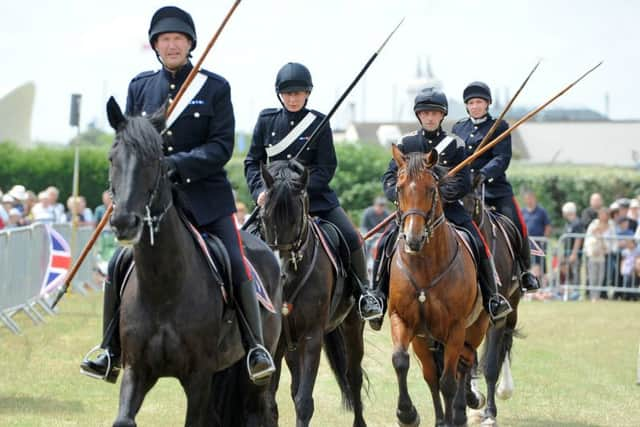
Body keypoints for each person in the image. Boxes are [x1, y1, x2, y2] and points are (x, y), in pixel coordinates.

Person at [81, 6, 274, 384]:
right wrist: (122, 187)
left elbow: (220, 147)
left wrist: (176, 164)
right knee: (120, 263)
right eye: (165, 40)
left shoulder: (214, 87)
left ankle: (254, 347)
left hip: (205, 197)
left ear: (190, 45)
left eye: (179, 39)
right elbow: (129, 143)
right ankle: (109, 350)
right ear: (155, 46)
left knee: (235, 260)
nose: (172, 45)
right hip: (153, 202)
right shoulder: (140, 86)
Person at [243, 62, 383, 321]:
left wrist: (300, 190)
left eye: (298, 93)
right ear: (280, 95)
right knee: (243, 240)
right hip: (273, 203)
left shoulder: (319, 123)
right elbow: (252, 161)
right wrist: (259, 191)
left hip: (314, 199)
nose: (293, 98)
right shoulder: (266, 120)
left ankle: (364, 293)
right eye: (287, 94)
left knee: (352, 237)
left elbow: (327, 166)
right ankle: (241, 299)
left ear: (307, 94)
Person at [373, 87, 512, 330]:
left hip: (448, 209)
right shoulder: (406, 142)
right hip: (412, 211)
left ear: (442, 115)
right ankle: (376, 297)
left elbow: (464, 182)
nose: (429, 117)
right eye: (425, 113)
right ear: (419, 115)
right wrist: (399, 198)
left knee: (477, 241)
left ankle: (492, 298)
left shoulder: (454, 143)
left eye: (435, 113)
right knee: (384, 242)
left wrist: (438, 197)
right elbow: (389, 176)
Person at [452, 81, 540, 293]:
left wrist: (484, 174)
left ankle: (525, 271)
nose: (475, 106)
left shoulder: (499, 126)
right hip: (464, 190)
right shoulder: (458, 128)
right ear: (466, 106)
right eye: (471, 103)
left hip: (494, 190)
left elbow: (502, 158)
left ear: (487, 104)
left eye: (479, 102)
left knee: (518, 224)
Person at [584, 208, 616, 301]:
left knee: (600, 276)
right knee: (593, 276)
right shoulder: (594, 224)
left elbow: (613, 241)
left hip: (603, 254)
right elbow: (588, 238)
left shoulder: (611, 225)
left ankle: (597, 296)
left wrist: (609, 249)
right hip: (593, 254)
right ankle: (592, 296)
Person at [521, 190, 552, 281]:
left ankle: (542, 286)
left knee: (541, 265)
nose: (529, 201)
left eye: (531, 198)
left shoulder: (541, 211)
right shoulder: (522, 212)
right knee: (528, 265)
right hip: (527, 244)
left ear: (534, 199)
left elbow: (548, 226)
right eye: (527, 199)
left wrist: (544, 239)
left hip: (539, 245)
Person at [561, 202, 585, 285]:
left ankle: (576, 292)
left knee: (575, 272)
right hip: (567, 252)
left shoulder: (577, 223)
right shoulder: (568, 223)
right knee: (569, 272)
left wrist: (574, 254)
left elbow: (578, 239)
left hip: (574, 253)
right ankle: (570, 290)